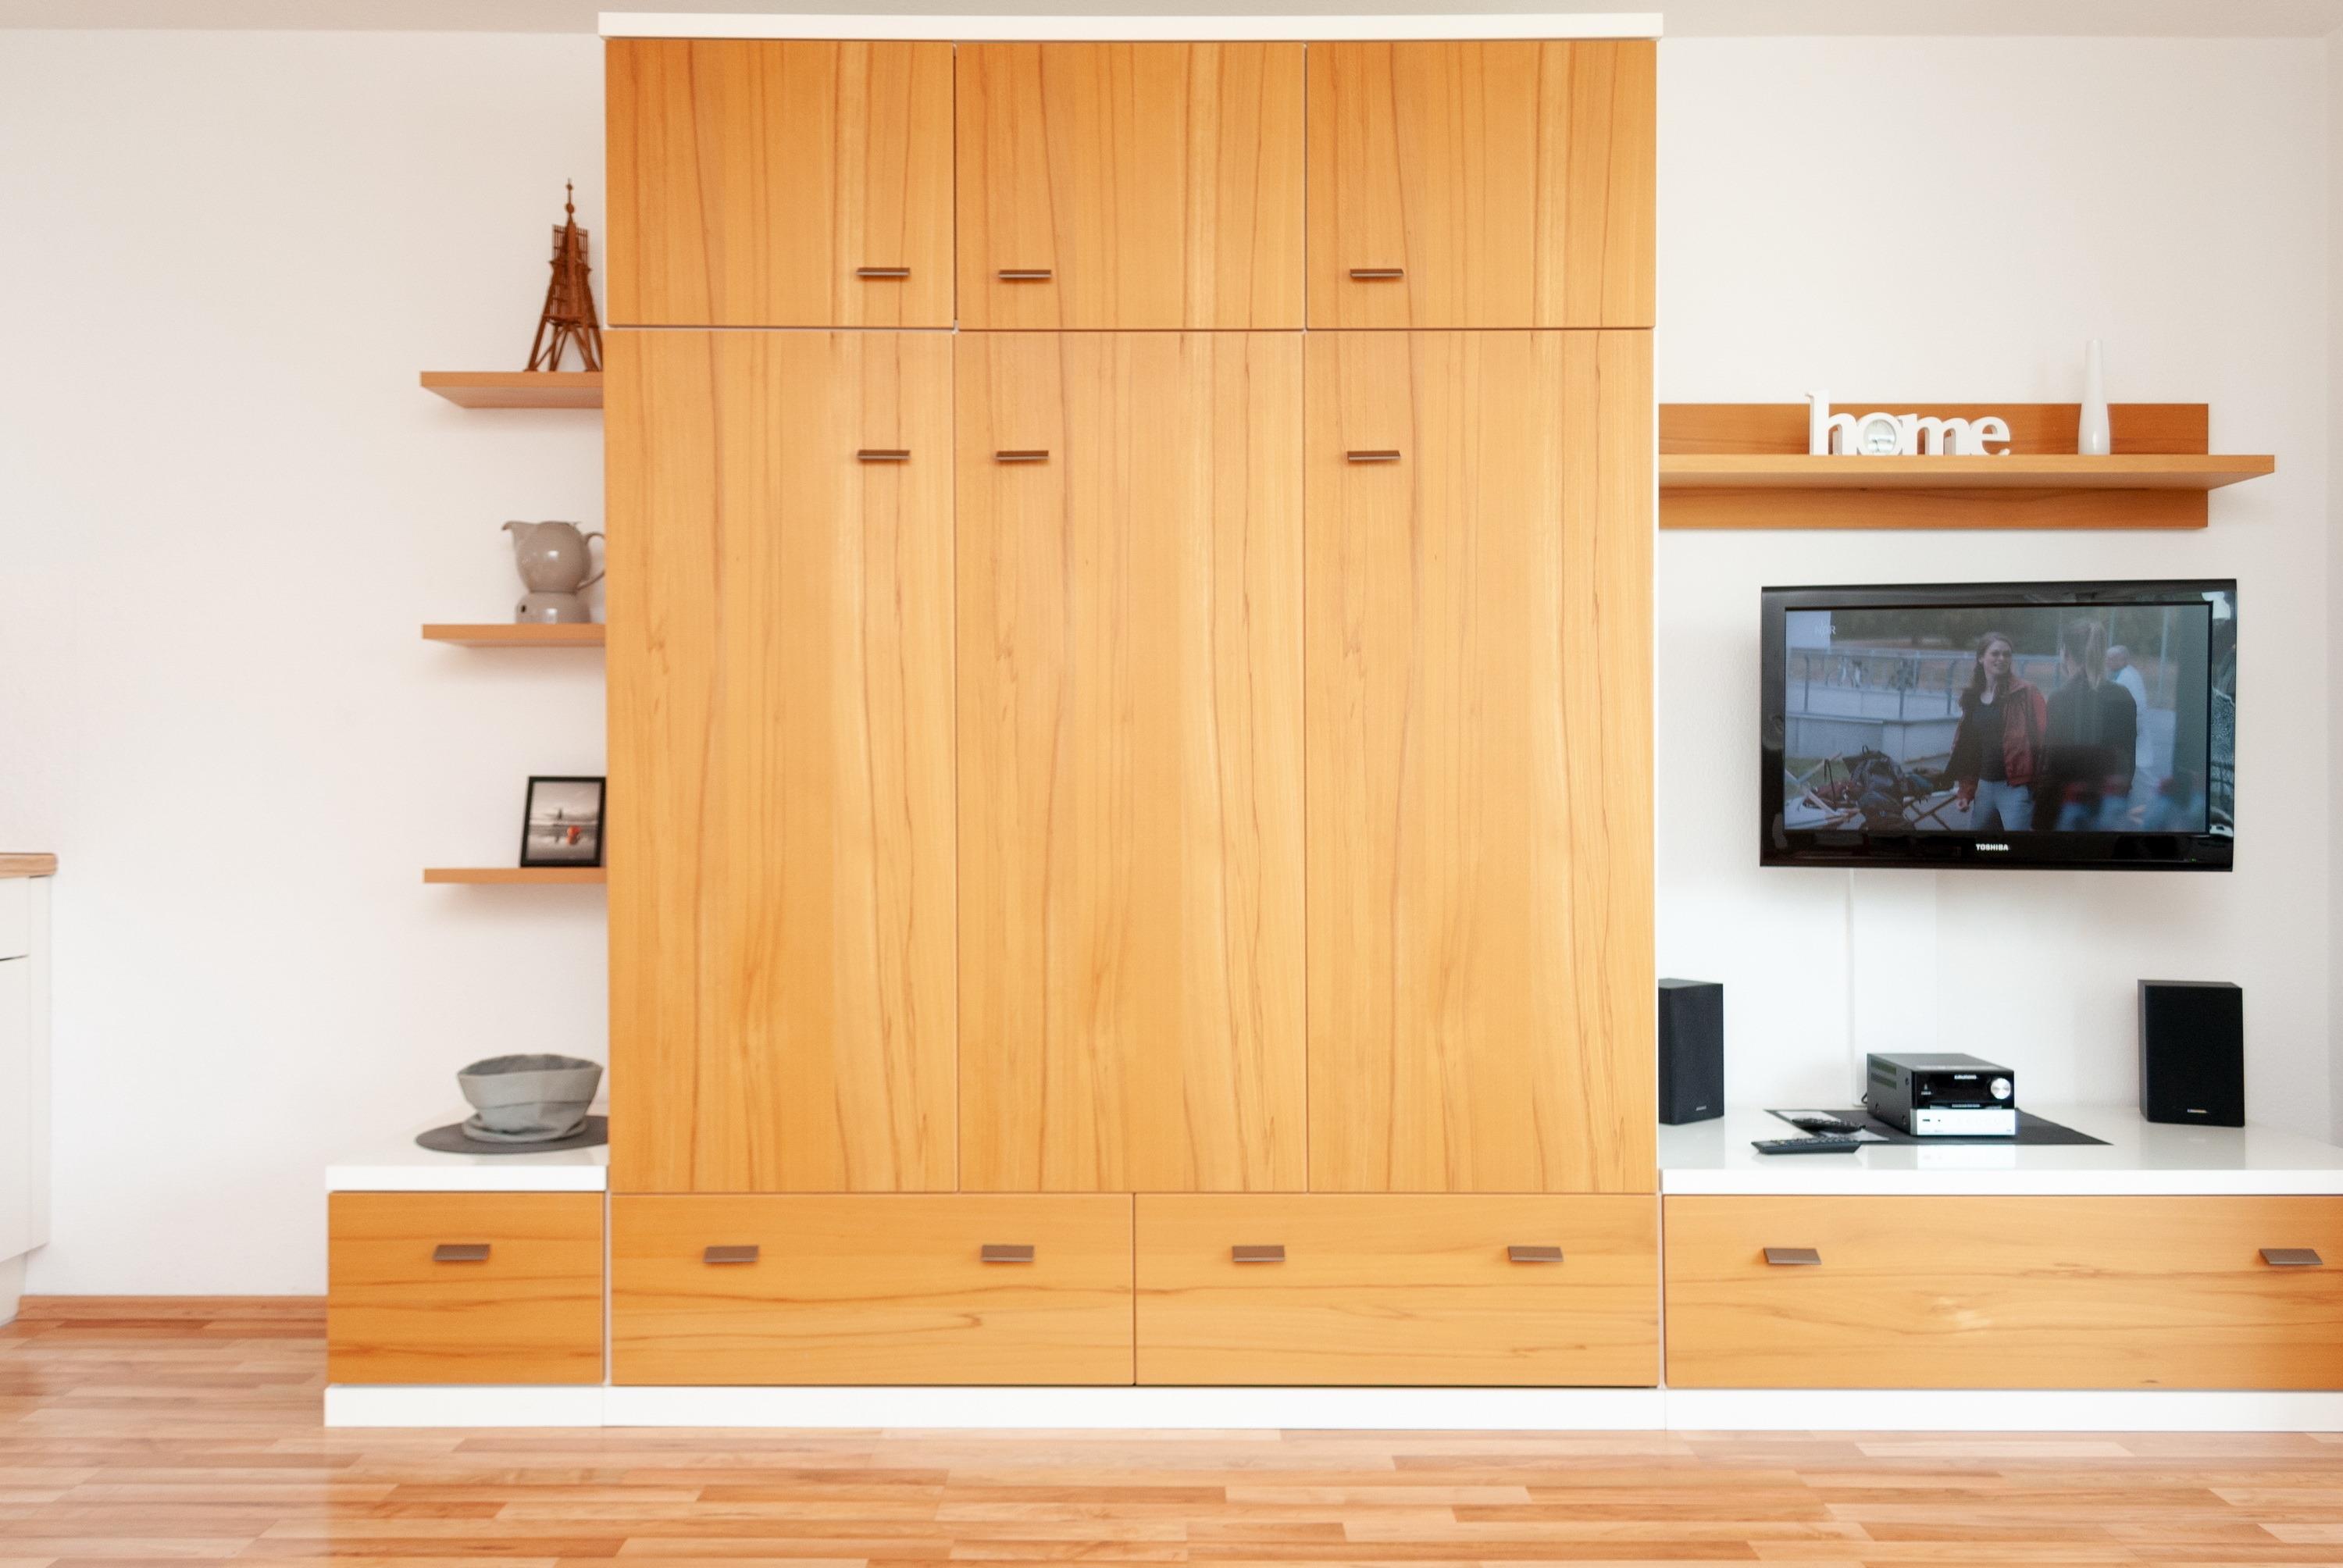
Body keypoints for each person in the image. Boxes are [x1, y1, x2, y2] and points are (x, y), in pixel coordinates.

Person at [2040, 620, 2139, 831]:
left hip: (2068, 807)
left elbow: (2053, 762)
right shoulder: (2122, 696)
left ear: (2066, 654)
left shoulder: (2060, 698)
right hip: (2109, 805)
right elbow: (2127, 759)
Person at [1945, 631, 2048, 831]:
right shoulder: (1972, 698)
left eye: (2007, 654)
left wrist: (2038, 789)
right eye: (1995, 653)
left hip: (2015, 789)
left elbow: (2044, 742)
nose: (2002, 659)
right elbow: (1969, 750)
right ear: (1981, 658)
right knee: (1980, 846)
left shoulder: (2026, 693)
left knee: (2016, 848)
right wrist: (1966, 792)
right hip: (1983, 788)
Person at [2106, 643, 2155, 822]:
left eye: (2112, 658)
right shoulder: (2122, 675)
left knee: (2141, 771)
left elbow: (2137, 708)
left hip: (2133, 734)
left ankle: (2155, 806)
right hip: (2130, 734)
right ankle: (2139, 808)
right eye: (2107, 658)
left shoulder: (2128, 678)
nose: (2108, 662)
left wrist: (2131, 733)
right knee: (2133, 773)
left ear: (2123, 660)